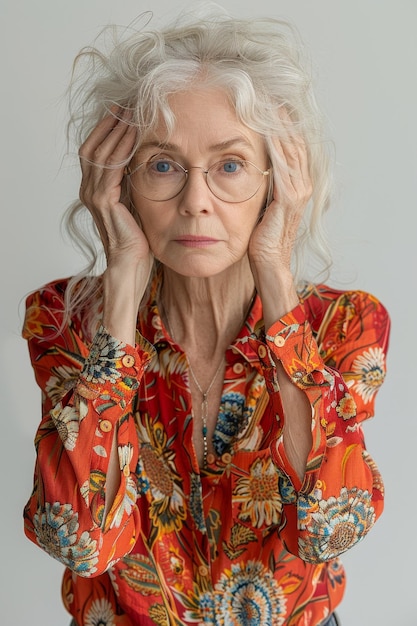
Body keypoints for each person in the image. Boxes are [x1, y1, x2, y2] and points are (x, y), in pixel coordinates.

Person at [22, 7, 390, 626]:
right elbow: (80, 541)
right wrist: (119, 290)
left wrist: (276, 273)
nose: (196, 203)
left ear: (277, 183)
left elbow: (330, 527)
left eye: (230, 166)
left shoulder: (344, 326)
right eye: (163, 165)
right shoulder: (64, 321)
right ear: (120, 183)